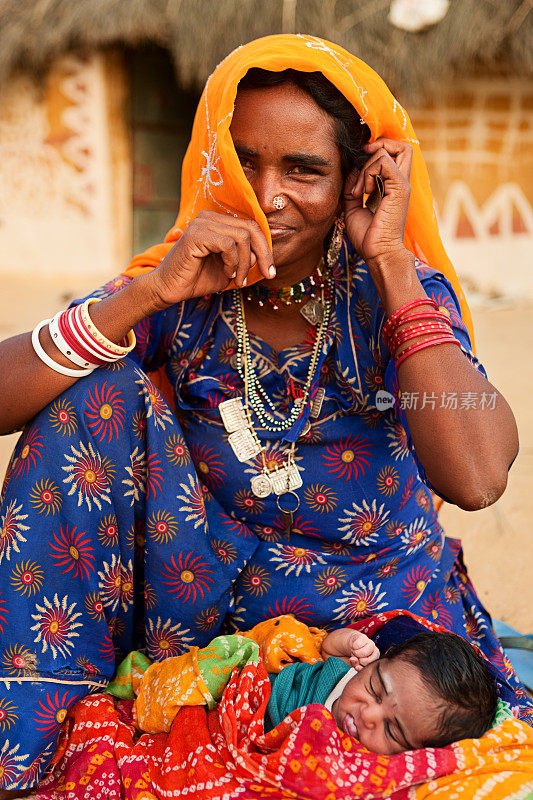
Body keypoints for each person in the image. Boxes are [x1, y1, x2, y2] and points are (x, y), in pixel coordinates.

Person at [0, 33, 530, 794]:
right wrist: (148, 294)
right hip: (200, 609)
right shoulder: (185, 275)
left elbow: (477, 476)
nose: (267, 193)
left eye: (304, 169)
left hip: (363, 632)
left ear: (355, 179)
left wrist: (385, 259)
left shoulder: (385, 293)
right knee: (90, 389)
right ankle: (37, 733)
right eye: (242, 159)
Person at [266, 628, 499, 754]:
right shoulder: (348, 674)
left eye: (391, 729)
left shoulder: (361, 763)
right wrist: (352, 641)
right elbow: (327, 648)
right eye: (375, 691)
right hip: (257, 691)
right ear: (380, 661)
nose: (368, 715)